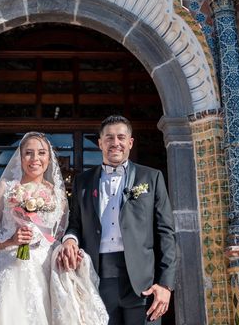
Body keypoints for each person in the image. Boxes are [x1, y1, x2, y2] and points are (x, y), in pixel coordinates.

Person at [0, 132, 107, 325]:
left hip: (45, 270)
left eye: (41, 153)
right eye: (28, 153)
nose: (35, 159)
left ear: (49, 158)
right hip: (8, 268)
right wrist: (11, 240)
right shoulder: (7, 187)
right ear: (20, 158)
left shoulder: (58, 195)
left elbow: (61, 236)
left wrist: (67, 251)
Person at [58, 116, 177, 324]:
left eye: (121, 137)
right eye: (109, 138)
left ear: (130, 142)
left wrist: (165, 285)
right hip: (96, 280)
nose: (115, 143)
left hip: (143, 284)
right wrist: (69, 239)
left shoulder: (151, 177)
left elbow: (166, 233)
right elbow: (75, 223)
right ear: (100, 143)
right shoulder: (82, 182)